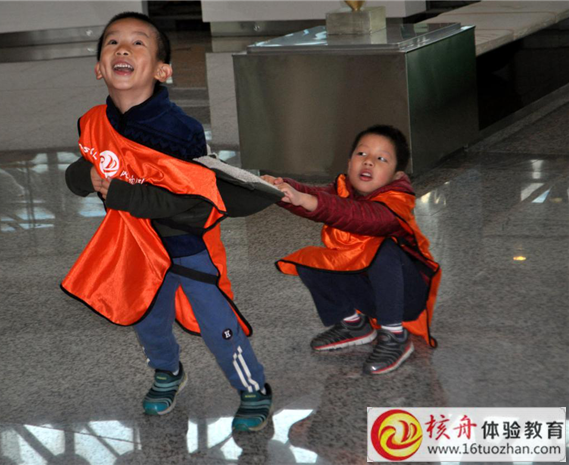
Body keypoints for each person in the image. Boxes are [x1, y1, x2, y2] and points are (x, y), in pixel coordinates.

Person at [61, 12, 272, 432]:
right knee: (147, 319)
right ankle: (167, 372)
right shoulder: (94, 122)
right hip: (135, 247)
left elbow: (193, 198)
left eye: (138, 42)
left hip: (186, 245)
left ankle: (253, 388)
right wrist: (84, 177)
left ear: (162, 71)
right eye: (112, 42)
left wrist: (123, 194)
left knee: (217, 324)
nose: (123, 48)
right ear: (99, 67)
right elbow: (80, 172)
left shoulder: (180, 131)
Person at [263, 125, 441, 375]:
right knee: (310, 260)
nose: (368, 162)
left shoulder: (398, 200)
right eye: (361, 154)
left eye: (381, 159)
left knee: (384, 248)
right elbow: (314, 196)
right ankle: (355, 324)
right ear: (349, 162)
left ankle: (394, 335)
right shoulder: (343, 188)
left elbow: (361, 216)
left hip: (406, 296)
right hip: (366, 288)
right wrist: (281, 187)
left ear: (396, 175)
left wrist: (307, 200)